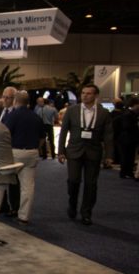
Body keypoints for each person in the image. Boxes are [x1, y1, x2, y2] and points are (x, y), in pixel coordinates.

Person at [58, 84, 114, 226]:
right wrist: (61, 151)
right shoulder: (72, 110)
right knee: (73, 181)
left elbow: (108, 136)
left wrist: (109, 155)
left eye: (89, 93)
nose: (85, 95)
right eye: (83, 93)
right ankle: (72, 205)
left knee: (91, 184)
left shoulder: (103, 113)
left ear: (95, 96)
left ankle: (86, 213)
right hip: (74, 151)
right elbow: (63, 131)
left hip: (93, 153)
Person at [3, 91, 44, 224]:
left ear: (15, 100)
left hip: (15, 152)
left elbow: (5, 133)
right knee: (28, 186)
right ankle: (24, 216)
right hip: (32, 152)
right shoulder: (36, 117)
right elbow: (42, 137)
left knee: (2, 180)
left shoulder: (13, 115)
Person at [117, 97, 139, 179]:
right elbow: (127, 126)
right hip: (126, 139)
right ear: (135, 105)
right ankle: (124, 172)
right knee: (126, 157)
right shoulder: (128, 115)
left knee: (130, 157)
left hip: (128, 139)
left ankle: (128, 172)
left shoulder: (130, 114)